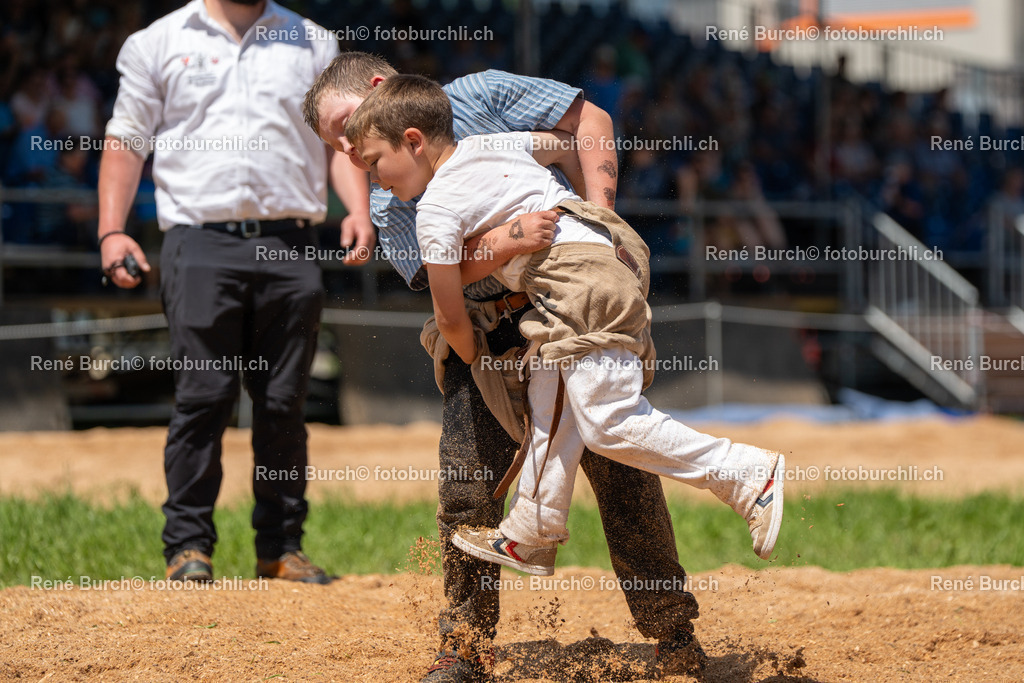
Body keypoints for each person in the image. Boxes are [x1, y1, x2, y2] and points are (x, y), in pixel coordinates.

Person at [303, 52, 702, 682]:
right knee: (466, 484)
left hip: (566, 305)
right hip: (482, 331)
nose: (350, 156)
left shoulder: (483, 95)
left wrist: (605, 222)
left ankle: (673, 632)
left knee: (622, 473)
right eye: (337, 145)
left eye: (348, 129)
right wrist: (509, 240)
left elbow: (590, 121)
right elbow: (444, 279)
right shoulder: (387, 201)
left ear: (380, 91)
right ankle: (464, 643)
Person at [344, 74, 785, 579]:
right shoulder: (493, 144)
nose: (374, 180)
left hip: (576, 285)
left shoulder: (435, 208)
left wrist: (472, 358)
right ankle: (532, 527)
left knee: (606, 423)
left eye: (375, 162)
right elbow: (562, 143)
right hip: (596, 263)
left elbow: (448, 313)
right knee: (549, 409)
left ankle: (747, 475)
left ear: (414, 141)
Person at [97, 0, 375, 585]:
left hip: (291, 243)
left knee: (284, 404)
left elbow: (339, 139)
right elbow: (126, 139)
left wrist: (358, 208)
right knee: (204, 396)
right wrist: (113, 229)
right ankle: (188, 548)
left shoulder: (314, 41)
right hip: (200, 243)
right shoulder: (158, 41)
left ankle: (280, 549)